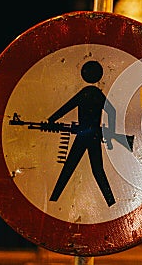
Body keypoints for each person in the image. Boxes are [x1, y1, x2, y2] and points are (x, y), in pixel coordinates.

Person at [48, 60, 117, 207]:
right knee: (96, 170)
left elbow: (66, 107)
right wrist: (108, 132)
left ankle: (53, 200)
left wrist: (52, 119)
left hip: (85, 136)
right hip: (92, 136)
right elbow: (112, 112)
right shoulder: (97, 93)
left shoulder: (86, 93)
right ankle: (111, 203)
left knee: (70, 168)